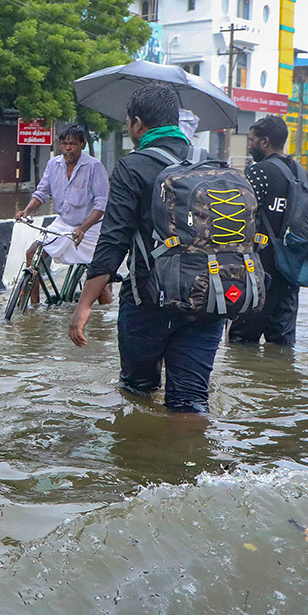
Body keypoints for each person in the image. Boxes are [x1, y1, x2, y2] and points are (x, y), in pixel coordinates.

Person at [69, 83, 225, 415]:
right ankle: (191, 464)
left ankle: (138, 461)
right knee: (191, 401)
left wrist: (85, 304)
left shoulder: (133, 166)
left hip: (150, 303)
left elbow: (113, 239)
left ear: (138, 124)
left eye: (128, 124)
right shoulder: (210, 163)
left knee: (136, 396)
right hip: (210, 299)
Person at [15, 123, 109, 305]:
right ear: (59, 144)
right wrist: (26, 211)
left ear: (82, 144)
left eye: (73, 144)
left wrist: (83, 228)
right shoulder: (53, 164)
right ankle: (34, 306)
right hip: (63, 223)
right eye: (64, 143)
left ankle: (103, 315)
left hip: (90, 229)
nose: (68, 148)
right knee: (32, 254)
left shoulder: (95, 167)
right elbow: (42, 193)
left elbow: (101, 204)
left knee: (97, 275)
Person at [228, 116, 301, 347]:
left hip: (259, 270)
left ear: (265, 142)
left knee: (240, 341)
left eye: (251, 140)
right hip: (291, 270)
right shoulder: (300, 172)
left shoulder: (259, 172)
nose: (249, 146)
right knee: (281, 346)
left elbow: (239, 217)